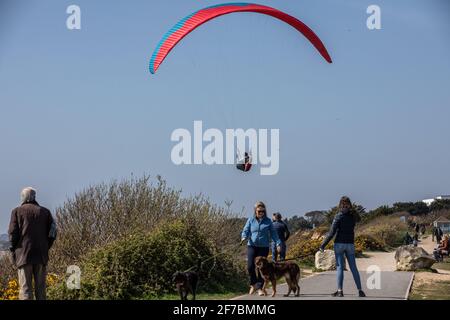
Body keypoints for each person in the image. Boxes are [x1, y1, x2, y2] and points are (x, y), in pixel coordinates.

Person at [8, 187, 56, 300]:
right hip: (41, 255)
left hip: (23, 255)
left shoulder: (16, 211)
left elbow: (12, 234)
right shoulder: (46, 212)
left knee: (25, 289)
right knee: (41, 289)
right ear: (34, 197)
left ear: (24, 197)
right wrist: (45, 246)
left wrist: (13, 250)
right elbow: (52, 233)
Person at [319, 196, 366, 298]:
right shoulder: (353, 216)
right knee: (354, 268)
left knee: (340, 267)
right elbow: (359, 218)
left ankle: (340, 291)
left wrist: (322, 245)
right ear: (349, 205)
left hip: (339, 244)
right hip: (350, 244)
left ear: (340, 205)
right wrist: (351, 210)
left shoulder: (338, 216)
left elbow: (331, 233)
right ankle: (360, 291)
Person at [241, 201, 281, 296]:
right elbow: (245, 230)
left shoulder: (268, 221)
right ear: (255, 211)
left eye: (263, 211)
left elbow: (274, 234)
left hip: (263, 247)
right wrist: (243, 237)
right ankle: (253, 284)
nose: (261, 213)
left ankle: (259, 288)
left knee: (262, 268)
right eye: (259, 211)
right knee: (250, 266)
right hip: (252, 246)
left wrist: (278, 243)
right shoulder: (250, 220)